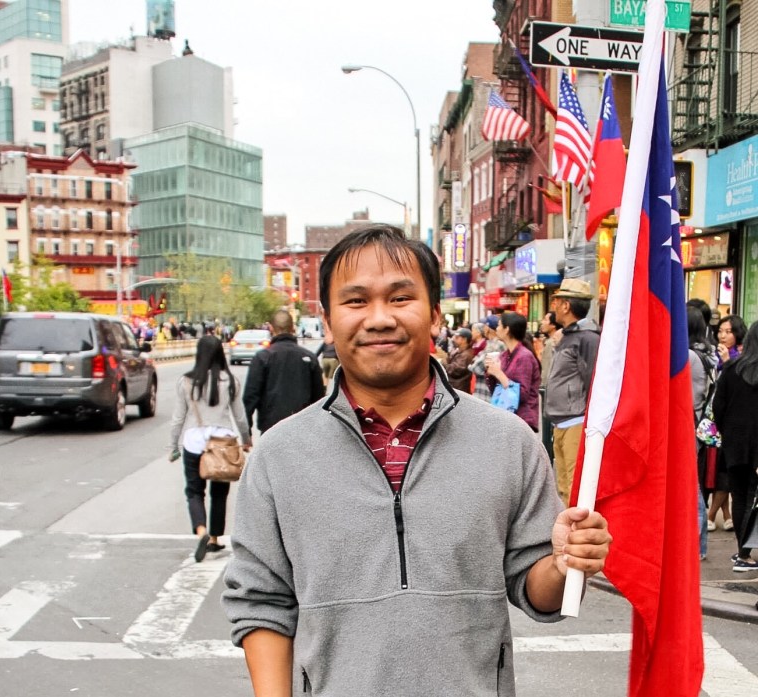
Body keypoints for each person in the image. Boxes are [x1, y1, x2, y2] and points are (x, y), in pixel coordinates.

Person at [222, 225, 611, 696]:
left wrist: (566, 562)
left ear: (433, 314)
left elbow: (537, 591)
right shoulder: (278, 455)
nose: (380, 318)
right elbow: (261, 601)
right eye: (357, 301)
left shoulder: (510, 443)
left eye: (401, 297)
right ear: (327, 322)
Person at [169, 335, 251, 562]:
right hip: (222, 442)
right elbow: (240, 416)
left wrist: (173, 446)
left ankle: (200, 530)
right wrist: (246, 438)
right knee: (219, 494)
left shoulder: (186, 381)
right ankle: (215, 538)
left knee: (194, 491)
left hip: (194, 441)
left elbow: (178, 418)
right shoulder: (231, 381)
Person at [544, 279, 601, 506]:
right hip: (562, 421)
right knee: (564, 486)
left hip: (576, 421)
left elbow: (593, 383)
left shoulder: (587, 338)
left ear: (566, 306)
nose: (554, 306)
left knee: (573, 486)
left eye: (556, 301)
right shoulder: (568, 336)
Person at [713, 320, 758, 572]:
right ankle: (745, 553)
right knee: (752, 498)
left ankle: (742, 552)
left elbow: (718, 407)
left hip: (734, 445)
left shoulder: (731, 369)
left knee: (739, 497)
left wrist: (727, 431)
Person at [242, 310, 325, 434]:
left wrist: (246, 431)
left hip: (270, 429)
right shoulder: (309, 358)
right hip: (303, 429)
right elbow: (319, 399)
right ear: (293, 328)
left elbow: (250, 398)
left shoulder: (263, 358)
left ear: (271, 328)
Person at [687, 307, 717, 561]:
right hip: (697, 424)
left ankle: (697, 546)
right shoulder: (707, 353)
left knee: (690, 487)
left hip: (687, 425)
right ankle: (698, 545)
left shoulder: (689, 356)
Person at [485, 312, 541, 432]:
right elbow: (496, 389)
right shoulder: (505, 355)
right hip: (507, 416)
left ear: (507, 330)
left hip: (522, 419)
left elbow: (523, 394)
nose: (497, 329)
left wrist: (499, 373)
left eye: (499, 325)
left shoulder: (524, 356)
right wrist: (491, 373)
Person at [539, 311, 562, 461]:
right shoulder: (550, 341)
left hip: (551, 390)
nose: (542, 322)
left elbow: (549, 369)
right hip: (550, 389)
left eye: (546, 319)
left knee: (549, 433)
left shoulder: (553, 341)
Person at [444, 327, 475, 393]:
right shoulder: (459, 351)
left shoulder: (466, 355)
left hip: (459, 390)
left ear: (464, 340)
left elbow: (454, 370)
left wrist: (440, 362)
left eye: (457, 337)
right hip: (455, 388)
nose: (453, 339)